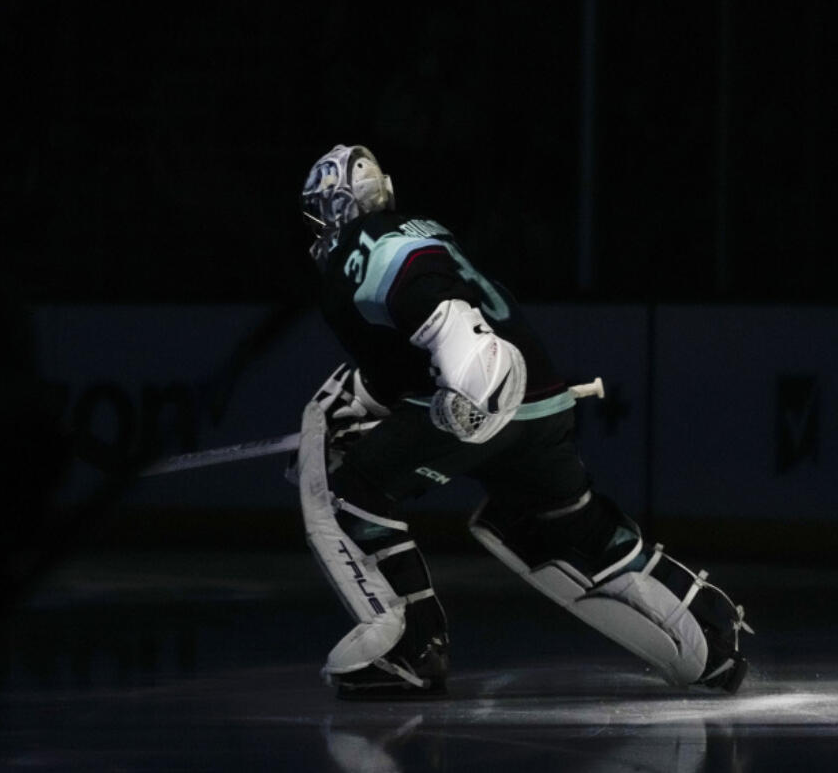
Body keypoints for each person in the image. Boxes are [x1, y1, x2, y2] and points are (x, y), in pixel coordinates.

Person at [295, 144, 752, 697]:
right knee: (568, 526)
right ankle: (711, 630)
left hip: (486, 386)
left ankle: (408, 647)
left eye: (322, 213)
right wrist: (370, 398)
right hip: (543, 398)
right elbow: (406, 353)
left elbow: (439, 318)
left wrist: (470, 375)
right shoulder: (423, 228)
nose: (320, 228)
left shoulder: (359, 245)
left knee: (348, 492)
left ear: (341, 207)